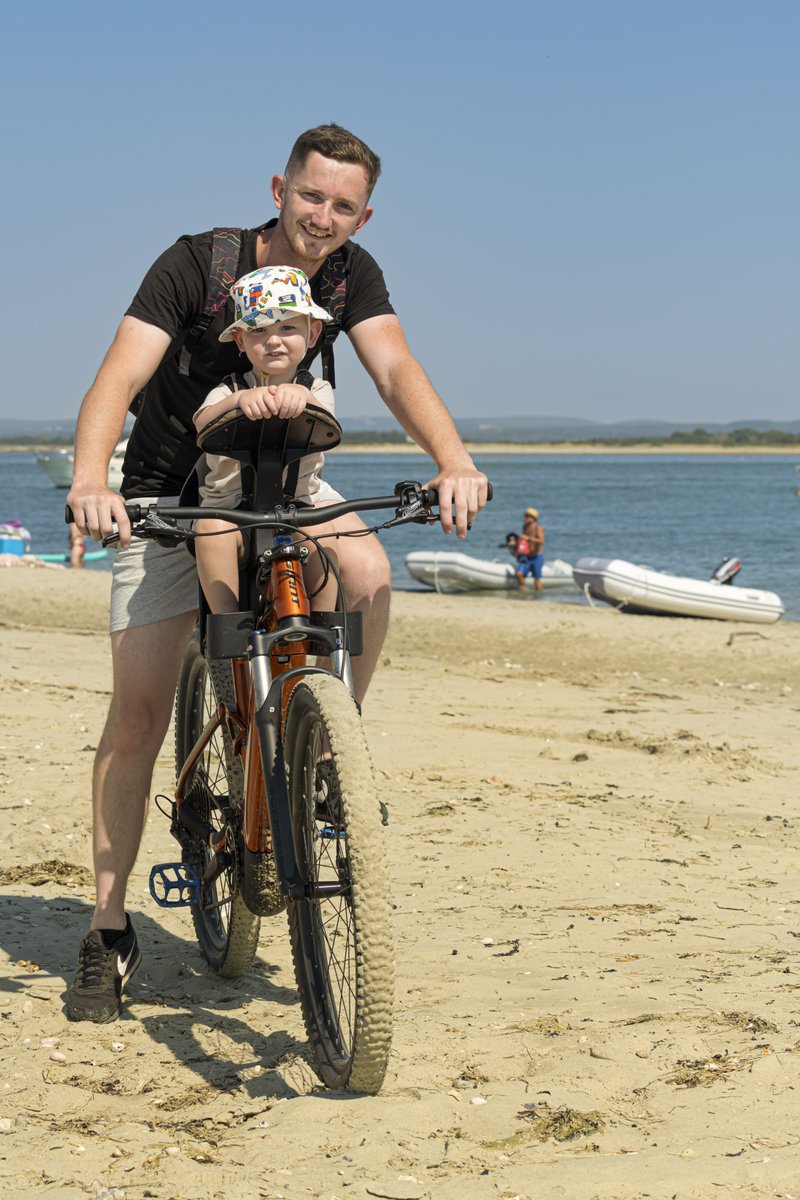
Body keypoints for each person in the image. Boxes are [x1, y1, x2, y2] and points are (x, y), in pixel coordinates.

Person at [64, 123, 489, 1023]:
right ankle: (107, 928)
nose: (323, 216)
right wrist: (90, 481)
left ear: (363, 215)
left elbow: (393, 366)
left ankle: (328, 751)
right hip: (168, 498)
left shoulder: (350, 275)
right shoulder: (197, 265)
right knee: (137, 714)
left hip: (284, 484)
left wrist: (454, 461)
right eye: (310, 195)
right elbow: (119, 376)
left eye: (344, 205)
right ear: (278, 190)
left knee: (368, 571)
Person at [192, 265, 334, 613]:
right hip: (230, 512)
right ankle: (228, 623)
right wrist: (237, 402)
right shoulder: (230, 389)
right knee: (209, 531)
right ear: (241, 341)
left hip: (297, 508)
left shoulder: (316, 388)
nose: (273, 340)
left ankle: (327, 629)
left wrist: (302, 398)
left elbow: (328, 423)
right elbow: (201, 423)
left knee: (326, 538)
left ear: (312, 333)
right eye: (258, 330)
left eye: (287, 327)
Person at [515, 506, 545, 592]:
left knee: (536, 580)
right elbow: (523, 542)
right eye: (525, 516)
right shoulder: (525, 527)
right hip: (527, 557)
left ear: (533, 518)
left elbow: (541, 541)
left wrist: (528, 538)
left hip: (537, 557)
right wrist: (518, 550)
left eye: (527, 516)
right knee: (519, 574)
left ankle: (539, 596)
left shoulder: (537, 528)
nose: (525, 518)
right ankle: (523, 593)